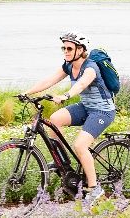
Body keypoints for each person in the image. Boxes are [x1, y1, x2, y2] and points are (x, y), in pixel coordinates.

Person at [23, 31, 116, 202]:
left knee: (80, 146)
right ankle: (62, 164)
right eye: (63, 48)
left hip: (102, 111)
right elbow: (48, 81)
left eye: (69, 48)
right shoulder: (68, 66)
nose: (65, 51)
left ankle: (95, 189)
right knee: (54, 120)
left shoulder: (90, 68)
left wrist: (65, 96)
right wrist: (26, 93)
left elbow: (80, 85)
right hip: (86, 107)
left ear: (80, 50)